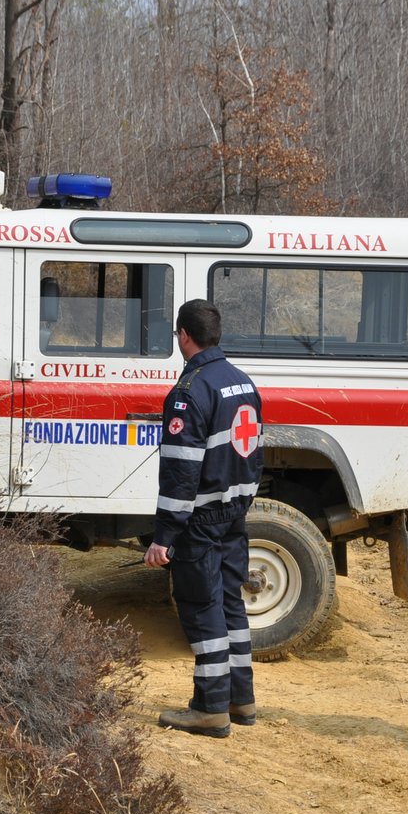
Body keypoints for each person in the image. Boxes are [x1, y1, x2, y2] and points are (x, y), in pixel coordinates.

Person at [145, 299, 263, 738]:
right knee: (231, 603)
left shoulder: (190, 390)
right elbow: (254, 454)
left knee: (202, 607)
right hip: (235, 511)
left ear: (184, 335)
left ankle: (210, 708)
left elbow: (180, 470)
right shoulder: (242, 382)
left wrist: (164, 536)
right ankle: (239, 699)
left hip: (201, 518)